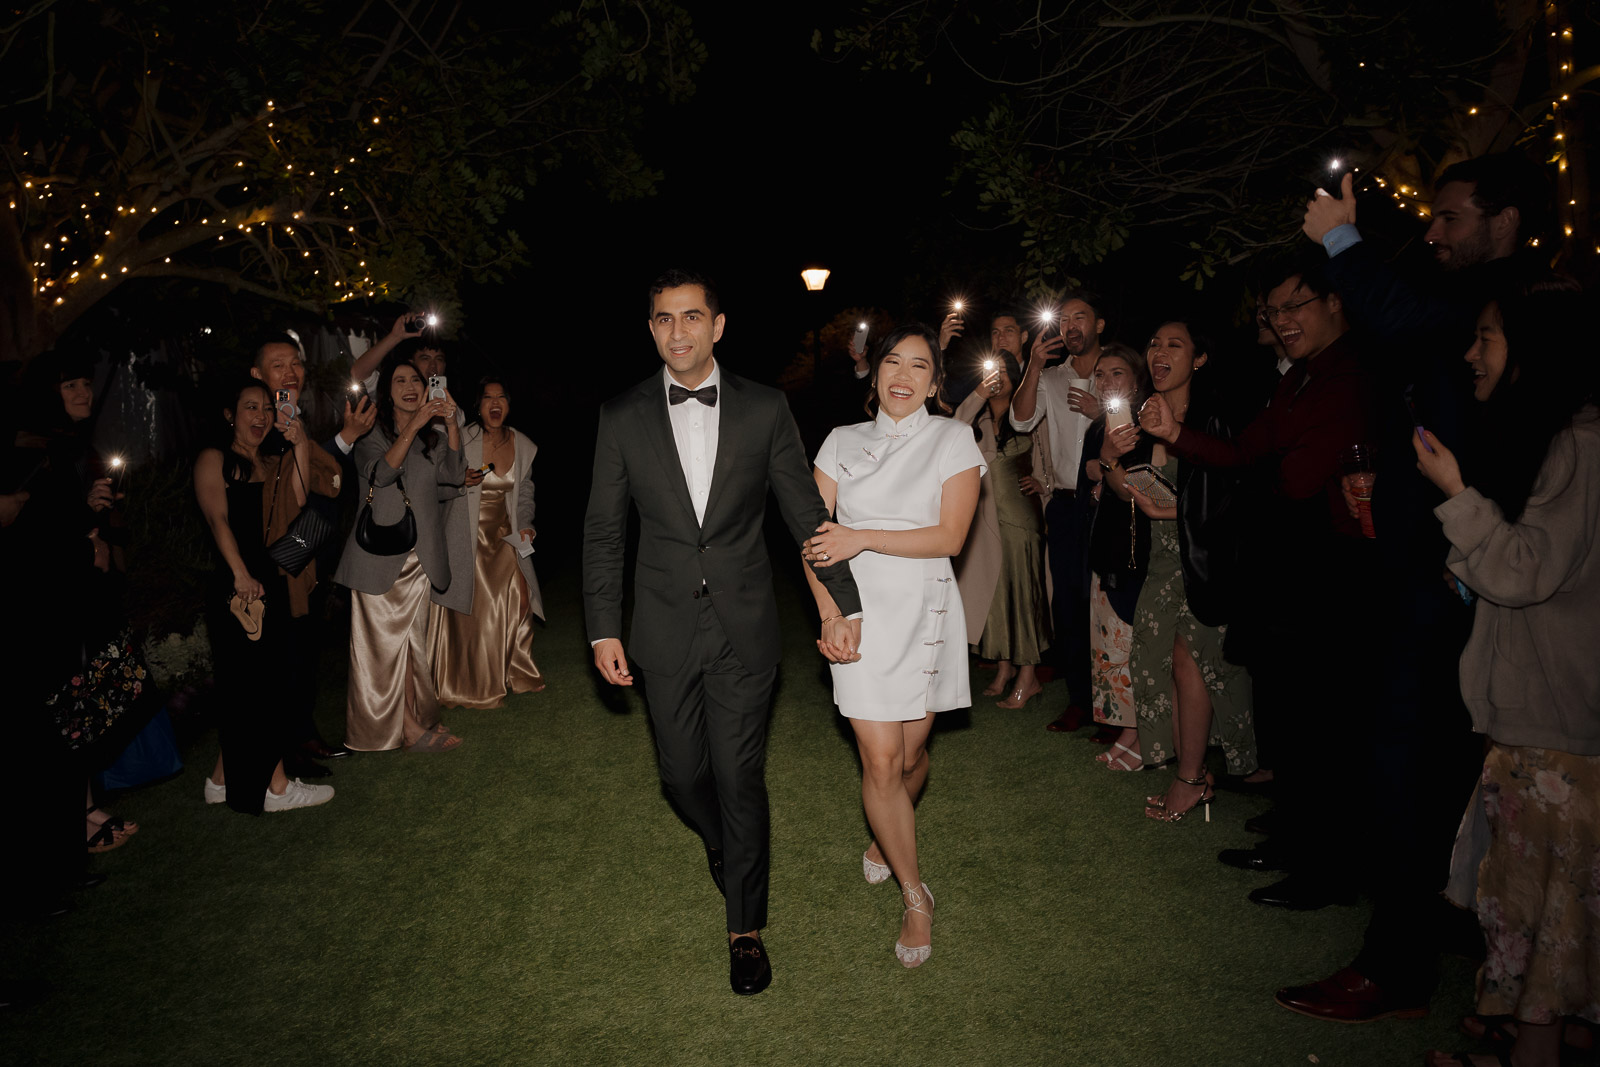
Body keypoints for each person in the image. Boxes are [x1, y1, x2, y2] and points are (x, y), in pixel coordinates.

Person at [1278, 149, 1552, 1023]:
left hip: (1460, 574)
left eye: (1451, 217)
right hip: (1437, 564)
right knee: (1429, 767)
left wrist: (1343, 240)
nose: (1433, 231)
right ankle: (1458, 948)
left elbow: (1401, 321)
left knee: (1410, 763)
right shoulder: (1472, 299)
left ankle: (1397, 965)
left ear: (1506, 220)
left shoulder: (1521, 299)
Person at [582, 268, 862, 997]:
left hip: (745, 623)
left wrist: (844, 603)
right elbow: (605, 531)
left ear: (718, 325)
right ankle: (723, 842)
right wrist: (603, 628)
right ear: (651, 329)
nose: (678, 331)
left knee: (740, 776)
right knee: (682, 776)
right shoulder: (621, 414)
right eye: (664, 319)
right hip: (662, 624)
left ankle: (745, 929)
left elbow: (803, 511)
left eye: (691, 317)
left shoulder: (765, 407)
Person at [1141, 266, 1374, 905]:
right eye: (1273, 311)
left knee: (1323, 724)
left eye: (1295, 306)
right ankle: (1295, 838)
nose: (1282, 321)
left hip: (1333, 572)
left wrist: (1251, 482)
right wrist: (1174, 436)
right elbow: (1246, 454)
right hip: (1288, 569)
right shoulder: (1300, 378)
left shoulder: (1352, 376)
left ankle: (1326, 870)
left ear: (1335, 301)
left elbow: (1293, 479)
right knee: (1291, 717)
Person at [1414, 283, 1599, 1067]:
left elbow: (1526, 570)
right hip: (1542, 717)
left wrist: (1457, 494)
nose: (1470, 353)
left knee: (1542, 914)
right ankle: (1544, 1040)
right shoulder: (1559, 439)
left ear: (1533, 351)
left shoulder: (1580, 446)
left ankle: (1533, 1051)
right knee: (1544, 906)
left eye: (1486, 337)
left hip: (1555, 727)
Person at [802, 322, 984, 967]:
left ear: (935, 383)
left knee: (908, 758)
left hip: (924, 610)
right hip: (857, 612)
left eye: (919, 365)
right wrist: (832, 614)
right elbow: (813, 538)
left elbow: (950, 537)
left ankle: (888, 832)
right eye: (892, 362)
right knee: (880, 762)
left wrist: (862, 535)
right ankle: (916, 897)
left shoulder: (953, 439)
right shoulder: (840, 441)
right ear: (875, 372)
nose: (903, 375)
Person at [1116, 321, 1254, 820]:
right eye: (1154, 343)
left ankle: (1191, 779)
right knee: (1157, 666)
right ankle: (1192, 772)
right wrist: (1111, 464)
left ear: (1199, 359)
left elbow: (1233, 494)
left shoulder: (1211, 419)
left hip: (1200, 561)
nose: (1159, 351)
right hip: (1160, 562)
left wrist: (1171, 510)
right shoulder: (1141, 418)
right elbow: (1130, 488)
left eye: (1174, 345)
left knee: (1190, 662)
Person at [194, 378, 336, 814]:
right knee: (259, 688)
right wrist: (240, 573)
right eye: (250, 407)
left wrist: (299, 442)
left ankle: (220, 781)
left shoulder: (272, 461)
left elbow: (300, 499)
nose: (261, 416)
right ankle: (276, 788)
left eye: (267, 409)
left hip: (270, 582)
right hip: (238, 585)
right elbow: (217, 519)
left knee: (253, 684)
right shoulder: (214, 458)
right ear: (229, 415)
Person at [334, 358, 468, 753]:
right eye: (400, 381)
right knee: (383, 651)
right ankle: (406, 730)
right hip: (378, 557)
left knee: (412, 647)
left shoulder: (432, 438)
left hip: (420, 558)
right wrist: (414, 425)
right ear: (386, 392)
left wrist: (451, 424)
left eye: (416, 380)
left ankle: (415, 719)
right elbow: (382, 473)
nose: (410, 387)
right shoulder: (370, 434)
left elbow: (454, 476)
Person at [249, 333, 367, 772]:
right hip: (276, 562)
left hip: (306, 556)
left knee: (303, 651)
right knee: (284, 656)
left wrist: (337, 439)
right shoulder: (258, 428)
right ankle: (288, 749)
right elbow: (299, 493)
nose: (290, 372)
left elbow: (323, 483)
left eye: (296, 363)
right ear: (257, 374)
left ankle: (304, 736)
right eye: (278, 365)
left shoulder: (294, 419)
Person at [1009, 292, 1105, 732]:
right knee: (1067, 605)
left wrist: (1100, 412)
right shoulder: (1050, 377)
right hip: (1067, 506)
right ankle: (1081, 702)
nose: (1070, 326)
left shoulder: (1118, 370)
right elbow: (1021, 421)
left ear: (1098, 324)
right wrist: (1032, 365)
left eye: (1079, 317)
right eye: (1064, 319)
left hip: (1110, 502)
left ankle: (1118, 708)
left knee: (1108, 604)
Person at [431, 377, 545, 708]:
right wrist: (458, 480)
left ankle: (517, 670)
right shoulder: (461, 438)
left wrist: (526, 527)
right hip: (466, 538)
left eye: (501, 398)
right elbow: (437, 481)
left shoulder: (523, 444)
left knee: (518, 601)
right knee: (476, 613)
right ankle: (475, 683)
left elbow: (524, 493)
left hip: (505, 538)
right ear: (477, 406)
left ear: (508, 404)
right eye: (487, 398)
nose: (495, 404)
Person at [952, 349, 1052, 707]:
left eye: (1004, 372)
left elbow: (1049, 460)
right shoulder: (975, 422)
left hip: (1020, 520)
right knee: (995, 594)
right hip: (983, 522)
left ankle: (1029, 674)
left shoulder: (1028, 417)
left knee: (1023, 594)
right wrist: (978, 394)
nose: (997, 378)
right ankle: (1004, 666)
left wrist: (1044, 484)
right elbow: (950, 430)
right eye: (990, 372)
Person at [1079, 343, 1153, 769]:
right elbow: (1092, 488)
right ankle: (1128, 730)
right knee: (1110, 645)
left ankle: (1143, 733)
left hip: (1137, 547)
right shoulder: (1098, 427)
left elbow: (1132, 491)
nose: (1106, 381)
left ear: (1136, 379)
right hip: (1104, 544)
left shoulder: (1146, 424)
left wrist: (1104, 466)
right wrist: (1097, 474)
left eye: (1117, 373)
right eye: (1100, 374)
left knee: (1132, 644)